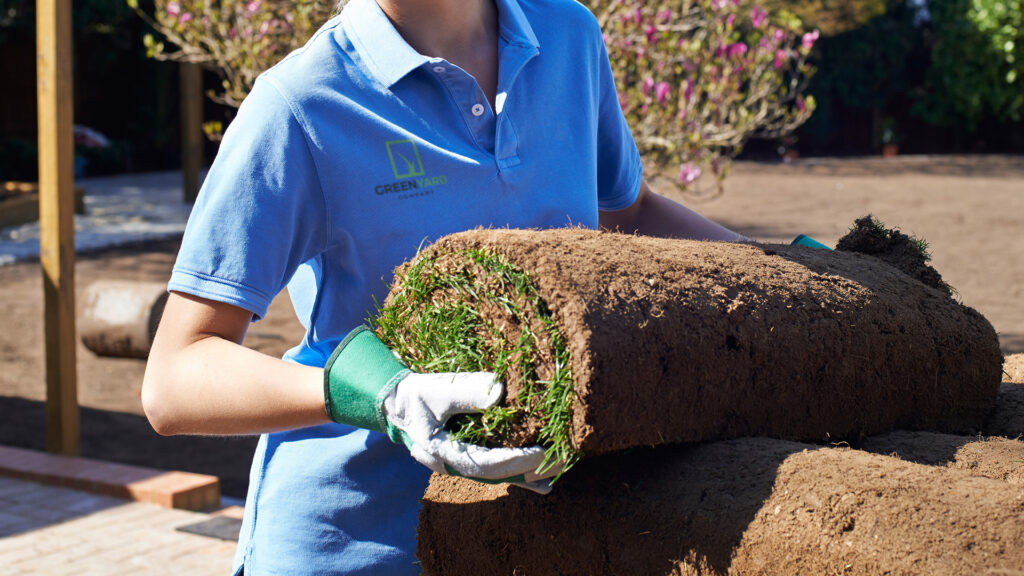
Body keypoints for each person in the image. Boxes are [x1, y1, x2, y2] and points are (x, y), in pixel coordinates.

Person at [141, 0, 748, 573]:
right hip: (357, 544)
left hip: (540, 537)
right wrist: (382, 396)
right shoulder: (301, 104)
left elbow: (629, 214)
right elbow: (175, 379)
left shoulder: (568, 37)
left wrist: (792, 274)